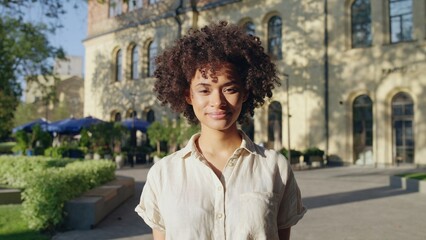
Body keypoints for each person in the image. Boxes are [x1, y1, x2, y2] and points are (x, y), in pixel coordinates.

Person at [135, 21, 306, 240]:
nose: (217, 101)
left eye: (230, 89)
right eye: (204, 90)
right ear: (188, 95)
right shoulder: (163, 174)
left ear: (245, 92)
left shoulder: (275, 167)